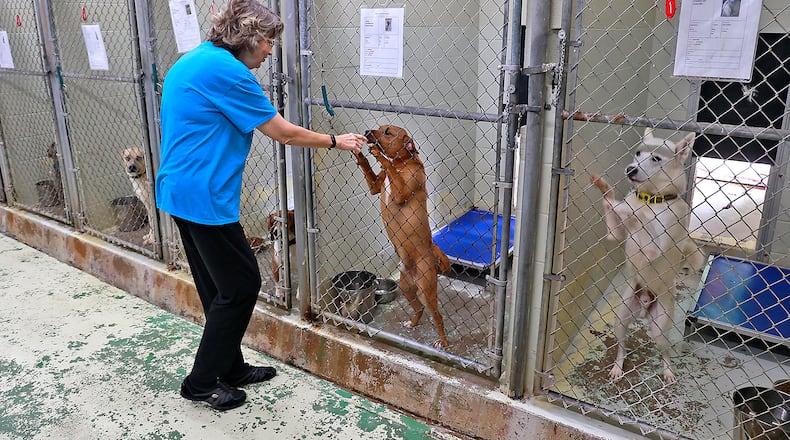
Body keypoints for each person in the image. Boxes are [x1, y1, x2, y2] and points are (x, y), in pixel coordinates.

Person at [155, 0, 366, 411]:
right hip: (202, 196)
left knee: (218, 288)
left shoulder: (198, 58)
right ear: (248, 38)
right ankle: (200, 383)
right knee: (240, 286)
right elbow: (283, 134)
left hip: (180, 189)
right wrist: (336, 140)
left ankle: (229, 368)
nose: (271, 51)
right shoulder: (228, 72)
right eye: (268, 41)